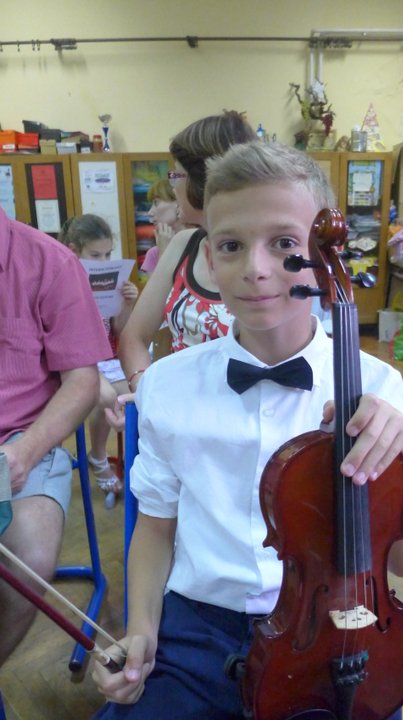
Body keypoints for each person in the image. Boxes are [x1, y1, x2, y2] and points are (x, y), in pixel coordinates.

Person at [58, 142, 403, 720]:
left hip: (331, 651)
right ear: (208, 257)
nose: (256, 269)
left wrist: (394, 456)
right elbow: (155, 528)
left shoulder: (374, 385)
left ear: (321, 255)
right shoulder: (168, 386)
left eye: (284, 243)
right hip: (195, 641)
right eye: (231, 245)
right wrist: (142, 630)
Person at [0, 208, 112, 666]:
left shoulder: (49, 262)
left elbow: (82, 381)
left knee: (28, 555)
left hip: (23, 436)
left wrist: (23, 454)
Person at [116, 110, 256, 401]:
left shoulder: (263, 258)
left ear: (204, 179)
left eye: (177, 174)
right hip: (177, 409)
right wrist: (146, 392)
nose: (173, 185)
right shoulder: (184, 244)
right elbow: (133, 338)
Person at [59, 215, 138, 499]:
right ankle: (99, 456)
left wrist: (127, 304)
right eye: (95, 255)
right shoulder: (60, 280)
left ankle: (138, 461)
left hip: (105, 358)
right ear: (73, 251)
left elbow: (119, 330)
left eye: (107, 254)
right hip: (74, 359)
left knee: (135, 394)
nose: (103, 262)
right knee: (105, 396)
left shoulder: (110, 280)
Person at [138, 178, 182, 278]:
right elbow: (159, 288)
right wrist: (164, 252)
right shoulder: (154, 253)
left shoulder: (201, 244)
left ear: (179, 203)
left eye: (156, 203)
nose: (150, 212)